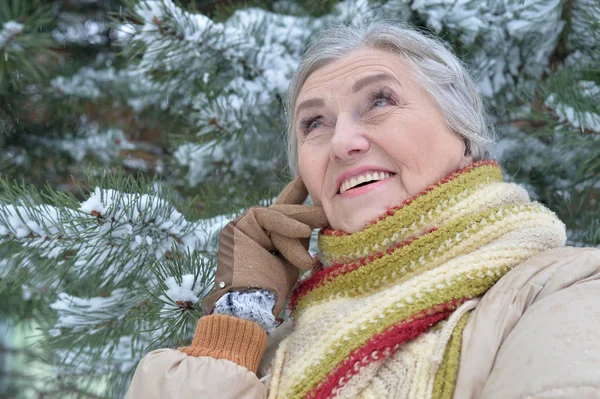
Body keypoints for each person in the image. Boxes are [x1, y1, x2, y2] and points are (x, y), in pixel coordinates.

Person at [127, 21, 600, 399]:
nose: (341, 143)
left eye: (379, 101)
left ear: (464, 135)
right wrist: (239, 315)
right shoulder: (275, 349)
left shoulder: (566, 291)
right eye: (314, 123)